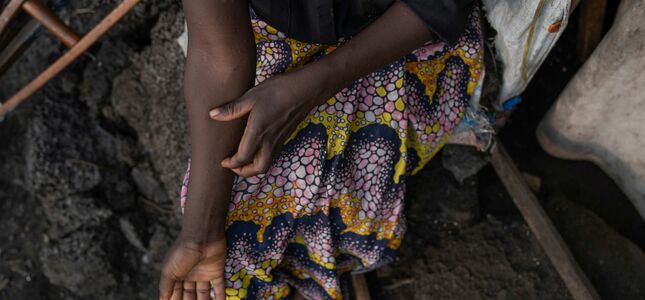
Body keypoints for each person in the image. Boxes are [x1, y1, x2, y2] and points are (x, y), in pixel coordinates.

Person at [158, 0, 483, 299]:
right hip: (277, 43)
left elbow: (438, 5)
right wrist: (200, 232)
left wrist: (312, 89)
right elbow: (216, 54)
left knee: (355, 200)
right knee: (227, 251)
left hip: (406, 43)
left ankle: (319, 264)